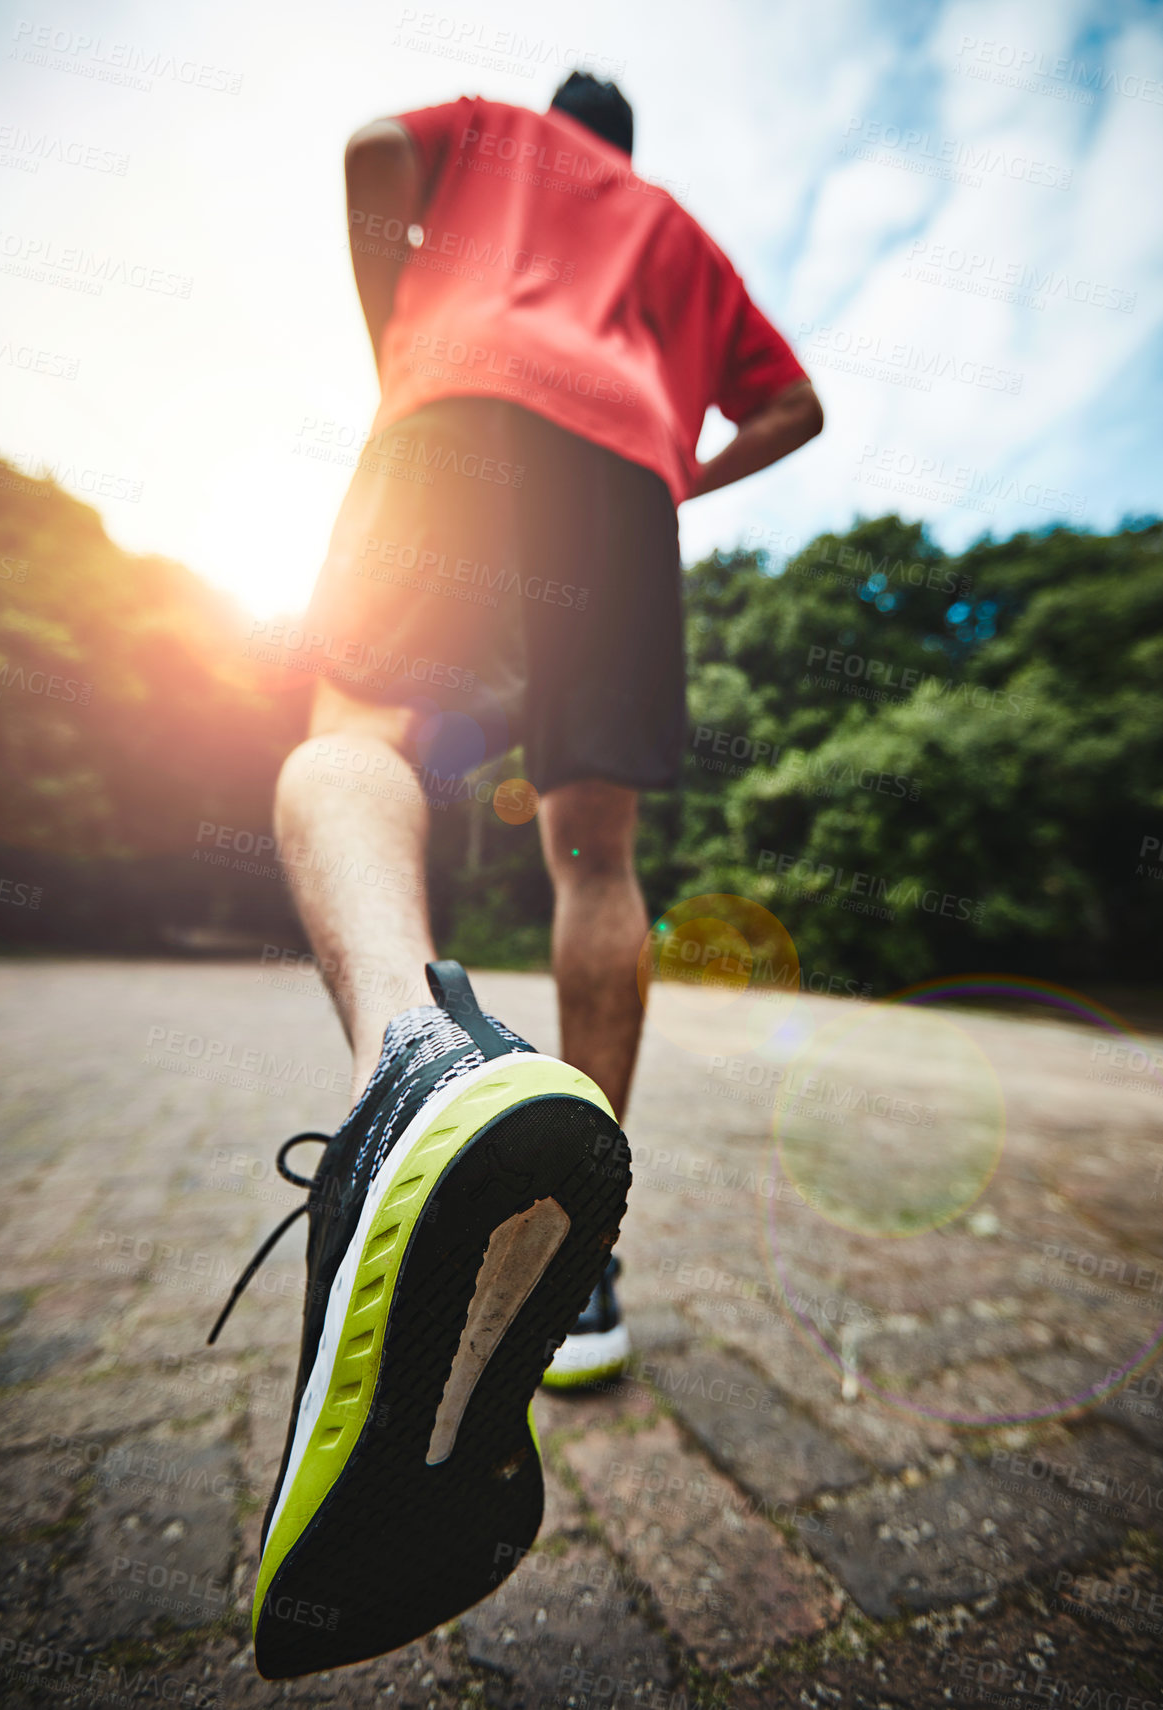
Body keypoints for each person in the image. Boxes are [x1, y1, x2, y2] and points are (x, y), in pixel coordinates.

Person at [214, 72, 823, 1678]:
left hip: (454, 402)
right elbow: (792, 408)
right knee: (596, 842)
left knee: (358, 719)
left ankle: (405, 1069)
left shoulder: (492, 127)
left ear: (557, 122)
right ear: (633, 143)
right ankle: (583, 1240)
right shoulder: (675, 232)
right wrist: (678, 471)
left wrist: (397, 344)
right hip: (623, 470)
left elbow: (366, 153)